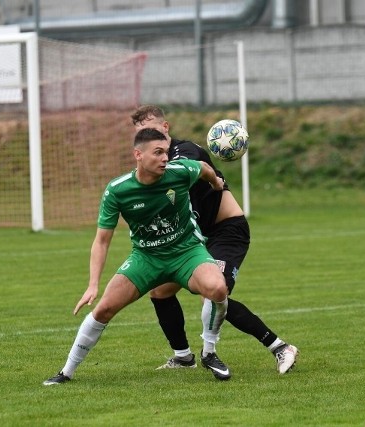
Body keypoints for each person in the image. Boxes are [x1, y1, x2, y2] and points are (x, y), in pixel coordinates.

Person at [43, 128, 231, 385]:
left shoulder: (180, 171)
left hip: (187, 251)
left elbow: (202, 167)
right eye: (158, 153)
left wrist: (216, 183)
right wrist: (92, 284)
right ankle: (66, 372)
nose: (165, 158)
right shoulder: (118, 190)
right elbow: (101, 240)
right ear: (138, 155)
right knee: (104, 309)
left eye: (166, 152)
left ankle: (209, 353)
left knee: (218, 288)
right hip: (146, 257)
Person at [131, 105, 298, 374]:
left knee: (214, 292)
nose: (149, 136)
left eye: (152, 129)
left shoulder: (185, 151)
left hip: (227, 231)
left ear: (165, 128)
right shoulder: (153, 164)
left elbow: (185, 169)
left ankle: (280, 347)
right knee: (160, 291)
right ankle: (183, 356)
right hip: (194, 238)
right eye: (141, 133)